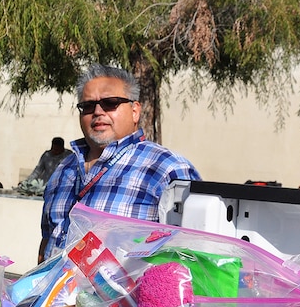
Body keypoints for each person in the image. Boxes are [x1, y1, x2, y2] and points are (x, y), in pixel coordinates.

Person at [39, 64, 201, 263]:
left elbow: (195, 259)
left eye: (110, 103)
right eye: (88, 106)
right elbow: (47, 242)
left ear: (135, 111)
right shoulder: (64, 170)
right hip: (54, 293)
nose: (98, 111)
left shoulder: (166, 169)